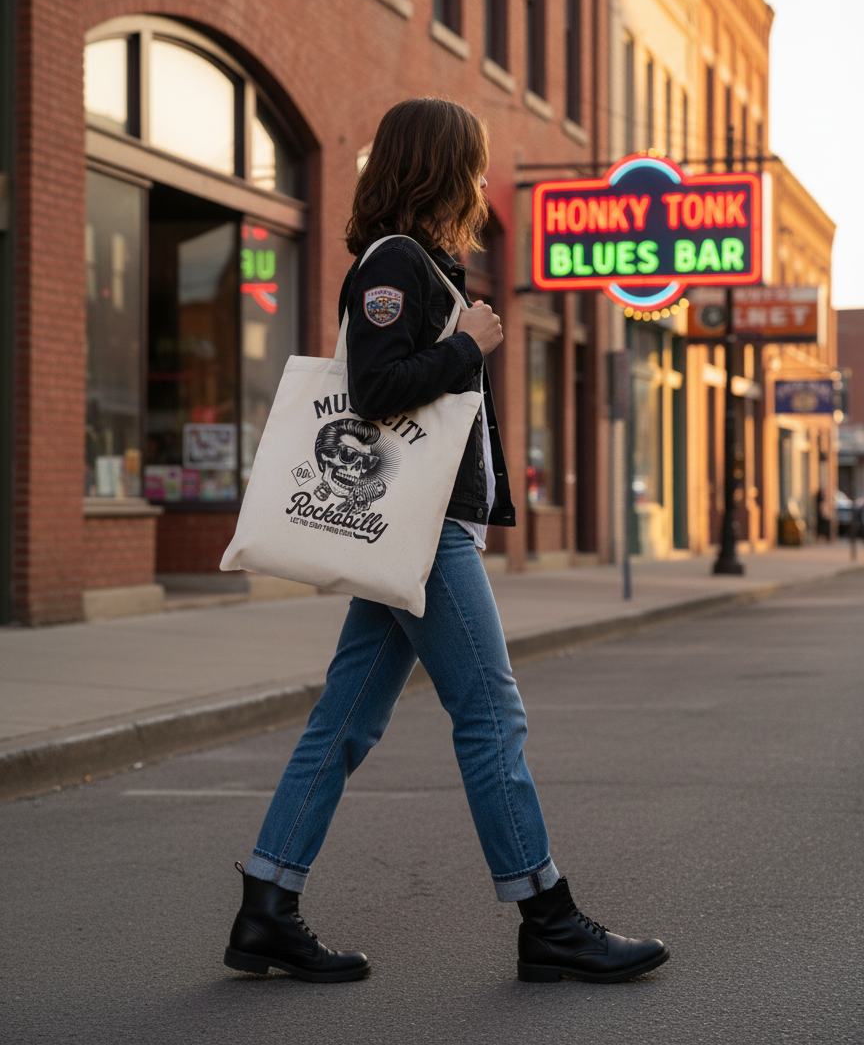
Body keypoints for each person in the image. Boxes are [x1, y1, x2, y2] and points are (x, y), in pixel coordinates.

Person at [224, 98, 669, 985]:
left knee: (345, 722)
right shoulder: (394, 263)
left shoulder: (423, 262)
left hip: (417, 533)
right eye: (469, 164)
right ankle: (546, 916)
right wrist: (467, 344)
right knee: (492, 716)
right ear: (437, 167)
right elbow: (375, 388)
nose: (477, 181)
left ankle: (266, 909)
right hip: (425, 535)